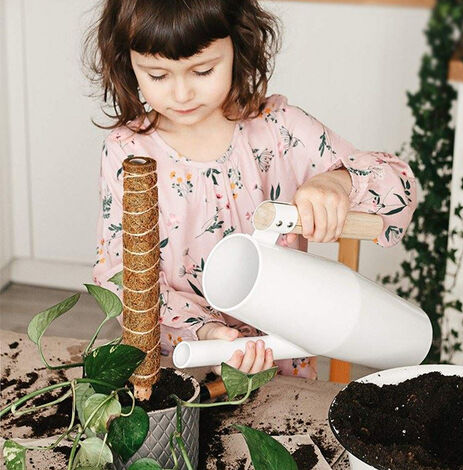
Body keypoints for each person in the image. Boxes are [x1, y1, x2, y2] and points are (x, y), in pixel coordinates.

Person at [88, 0, 417, 379]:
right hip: (175, 369)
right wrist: (207, 332)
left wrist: (338, 182)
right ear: (126, 62)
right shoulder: (129, 152)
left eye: (203, 70)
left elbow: (399, 186)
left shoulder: (277, 131)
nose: (181, 94)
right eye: (157, 75)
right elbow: (119, 274)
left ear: (238, 46)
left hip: (282, 373)